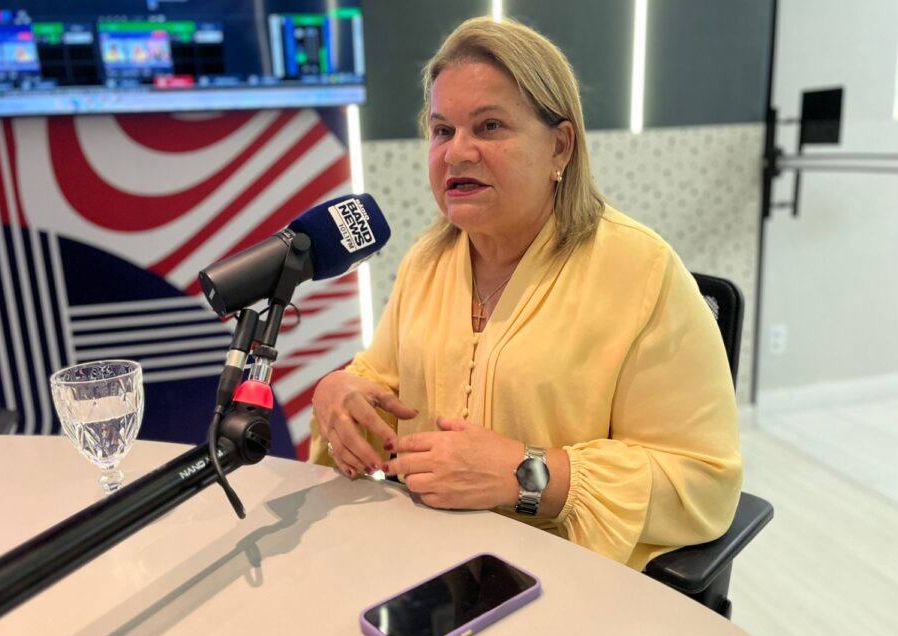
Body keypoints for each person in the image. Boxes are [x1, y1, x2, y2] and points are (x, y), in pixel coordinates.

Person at [308, 17, 742, 571]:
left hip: (563, 577)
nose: (456, 153)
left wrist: (524, 474)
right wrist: (341, 393)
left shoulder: (643, 271)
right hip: (424, 558)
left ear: (560, 147)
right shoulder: (428, 260)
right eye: (442, 130)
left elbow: (702, 481)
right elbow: (384, 387)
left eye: (489, 127)